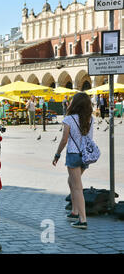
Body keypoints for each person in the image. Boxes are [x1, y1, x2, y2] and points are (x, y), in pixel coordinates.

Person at [52, 92, 94, 230]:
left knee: (77, 187)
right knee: (72, 181)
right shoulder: (90, 119)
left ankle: (83, 220)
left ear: (74, 103)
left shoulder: (69, 119)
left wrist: (57, 154)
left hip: (74, 155)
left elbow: (64, 140)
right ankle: (75, 212)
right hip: (85, 156)